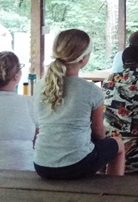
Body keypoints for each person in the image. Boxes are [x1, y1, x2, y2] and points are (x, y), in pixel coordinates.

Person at [33, 29, 125, 179]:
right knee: (118, 144)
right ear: (83, 59)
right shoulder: (91, 90)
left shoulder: (39, 86)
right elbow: (98, 132)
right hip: (77, 165)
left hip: (42, 164)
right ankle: (112, 191)